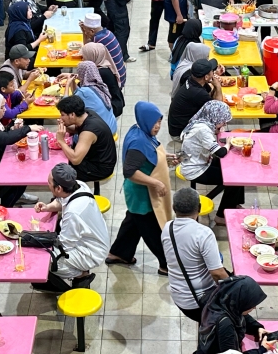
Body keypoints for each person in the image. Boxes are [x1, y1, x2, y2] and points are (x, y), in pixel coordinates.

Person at [107, 102, 172, 273]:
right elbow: (130, 171)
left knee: (133, 222)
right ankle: (166, 264)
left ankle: (119, 253)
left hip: (139, 193)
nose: (157, 126)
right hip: (140, 194)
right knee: (151, 228)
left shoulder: (140, 130)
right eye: (154, 122)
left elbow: (150, 154)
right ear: (145, 121)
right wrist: (156, 183)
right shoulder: (138, 142)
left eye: (159, 122)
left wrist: (167, 158)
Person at [31, 163, 109, 291]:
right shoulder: (79, 185)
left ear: (59, 188)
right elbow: (62, 200)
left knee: (44, 260)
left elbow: (65, 245)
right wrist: (48, 207)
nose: (48, 184)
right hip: (95, 238)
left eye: (49, 183)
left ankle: (81, 276)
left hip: (92, 251)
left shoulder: (73, 213)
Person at [163, 188, 230, 322]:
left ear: (174, 208)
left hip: (178, 296)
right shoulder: (203, 233)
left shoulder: (167, 228)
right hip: (199, 301)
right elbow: (217, 273)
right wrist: (233, 295)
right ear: (199, 208)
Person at [180, 99, 245, 221]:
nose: (223, 125)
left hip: (202, 160)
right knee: (235, 179)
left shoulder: (201, 122)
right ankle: (221, 217)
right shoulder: (202, 129)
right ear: (215, 118)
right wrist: (229, 143)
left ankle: (234, 203)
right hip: (195, 169)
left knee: (237, 170)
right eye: (222, 122)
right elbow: (220, 153)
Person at [194, 275, 271, 354]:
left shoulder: (219, 301)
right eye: (251, 304)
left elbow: (241, 314)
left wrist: (257, 328)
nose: (254, 308)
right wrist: (262, 350)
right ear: (241, 301)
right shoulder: (225, 325)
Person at [55, 94, 117, 185]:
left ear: (72, 114)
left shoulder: (89, 131)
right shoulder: (87, 113)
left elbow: (75, 160)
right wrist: (65, 127)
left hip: (100, 169)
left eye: (63, 115)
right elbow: (78, 129)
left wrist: (61, 140)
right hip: (95, 158)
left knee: (61, 173)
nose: (61, 118)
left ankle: (68, 196)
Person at [169, 60, 222, 137]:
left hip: (178, 124)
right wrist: (218, 86)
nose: (213, 73)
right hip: (180, 132)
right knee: (218, 123)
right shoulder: (197, 92)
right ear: (206, 77)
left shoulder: (193, 80)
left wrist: (215, 88)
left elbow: (210, 98)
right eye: (212, 71)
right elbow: (219, 108)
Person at [80, 13, 126, 88]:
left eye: (86, 31)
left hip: (115, 80)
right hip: (121, 74)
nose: (85, 33)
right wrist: (84, 31)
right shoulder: (107, 33)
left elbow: (87, 50)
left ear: (92, 31)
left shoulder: (98, 39)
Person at [81, 42, 124, 116]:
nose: (82, 59)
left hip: (111, 108)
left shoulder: (100, 72)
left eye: (84, 57)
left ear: (93, 56)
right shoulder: (104, 64)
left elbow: (85, 86)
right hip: (115, 102)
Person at [169, 19, 211, 90]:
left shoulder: (179, 39)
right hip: (184, 77)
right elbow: (200, 65)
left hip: (174, 73)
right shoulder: (194, 46)